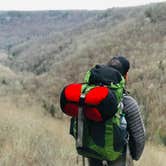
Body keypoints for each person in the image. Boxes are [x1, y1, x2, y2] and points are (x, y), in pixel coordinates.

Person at [88, 56, 145, 166]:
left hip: (92, 153)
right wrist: (134, 156)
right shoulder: (128, 103)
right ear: (125, 76)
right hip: (119, 158)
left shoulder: (91, 97)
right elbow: (139, 139)